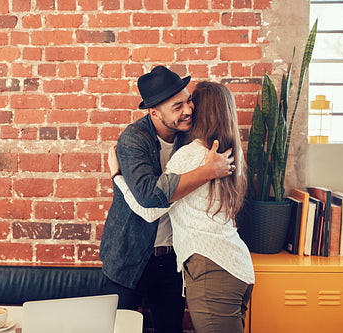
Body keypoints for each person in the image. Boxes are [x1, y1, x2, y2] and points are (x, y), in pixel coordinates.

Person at [108, 81, 255, 333]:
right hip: (231, 265)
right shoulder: (229, 152)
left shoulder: (192, 149)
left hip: (202, 265)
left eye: (190, 102)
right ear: (154, 112)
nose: (188, 109)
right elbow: (151, 198)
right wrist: (208, 170)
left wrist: (116, 176)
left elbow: (150, 208)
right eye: (179, 106)